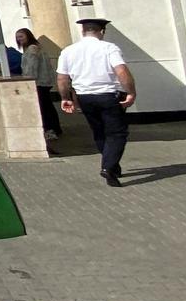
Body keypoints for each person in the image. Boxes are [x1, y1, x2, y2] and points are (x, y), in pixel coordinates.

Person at [57, 17, 135, 187]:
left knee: (99, 131)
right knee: (117, 133)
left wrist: (65, 98)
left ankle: (112, 164)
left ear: (83, 31)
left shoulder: (68, 51)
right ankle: (108, 167)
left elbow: (62, 78)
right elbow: (121, 71)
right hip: (109, 96)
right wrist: (131, 92)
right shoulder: (108, 48)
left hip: (84, 97)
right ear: (102, 31)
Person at [15, 28, 61, 139]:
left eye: (21, 36)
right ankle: (55, 128)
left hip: (38, 82)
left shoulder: (31, 49)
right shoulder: (36, 47)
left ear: (28, 36)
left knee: (44, 107)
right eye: (17, 37)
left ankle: (50, 130)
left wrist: (28, 81)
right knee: (48, 105)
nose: (19, 39)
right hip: (44, 80)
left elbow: (31, 67)